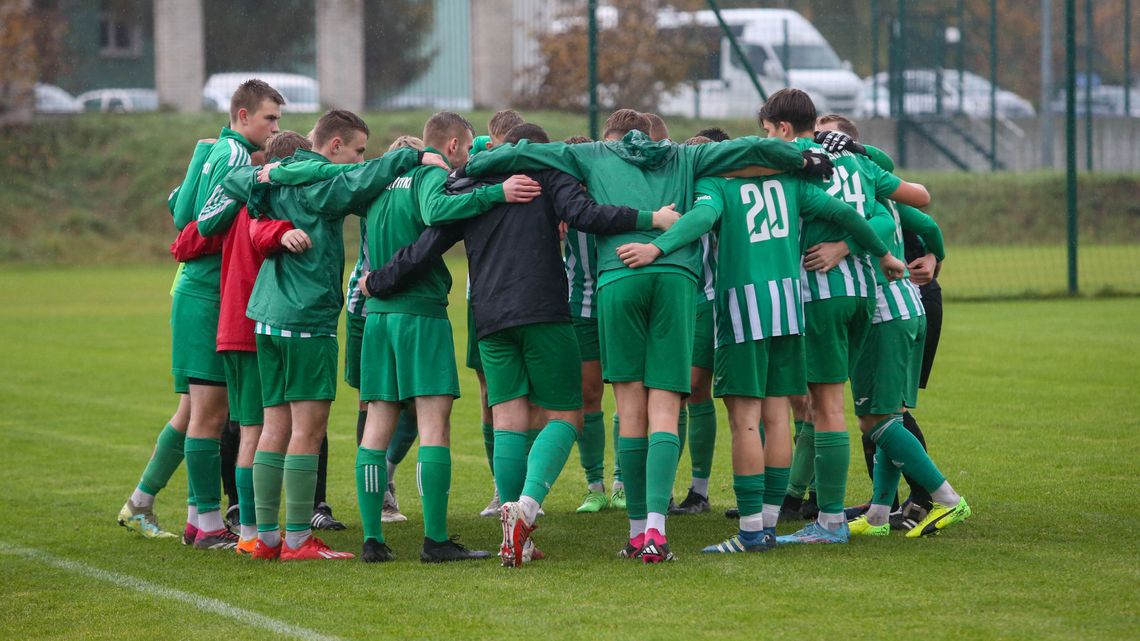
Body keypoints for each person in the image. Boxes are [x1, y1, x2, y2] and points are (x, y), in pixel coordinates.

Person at [462, 108, 834, 562]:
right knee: (664, 409)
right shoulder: (685, 156)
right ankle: (656, 532)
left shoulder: (592, 155)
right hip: (676, 280)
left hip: (618, 276)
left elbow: (522, 153)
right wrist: (802, 157)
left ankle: (634, 531)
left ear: (612, 137)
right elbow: (750, 148)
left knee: (630, 410)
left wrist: (476, 163)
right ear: (656, 135)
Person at [367, 122, 680, 565]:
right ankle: (527, 508)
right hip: (543, 311)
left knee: (508, 418)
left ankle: (516, 537)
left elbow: (427, 244)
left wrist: (378, 279)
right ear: (540, 148)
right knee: (568, 415)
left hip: (489, 317)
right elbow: (589, 215)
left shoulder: (470, 181)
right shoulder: (547, 173)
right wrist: (651, 219)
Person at [615, 141, 903, 553]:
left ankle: (751, 532)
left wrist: (655, 247)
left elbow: (701, 218)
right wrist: (885, 254)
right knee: (778, 417)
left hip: (742, 311)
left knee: (746, 421)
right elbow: (846, 215)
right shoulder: (790, 184)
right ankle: (769, 524)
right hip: (789, 309)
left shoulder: (716, 184)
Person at [280, 111, 539, 562]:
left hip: (377, 318)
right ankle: (435, 540)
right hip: (419, 314)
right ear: (452, 146)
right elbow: (438, 211)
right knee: (434, 426)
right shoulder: (424, 176)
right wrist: (498, 191)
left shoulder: (378, 181)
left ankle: (372, 540)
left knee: (376, 428)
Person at [222, 110, 435, 561]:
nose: (359, 158)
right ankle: (298, 540)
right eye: (356, 149)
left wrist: (274, 169)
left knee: (273, 425)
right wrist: (415, 157)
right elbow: (363, 180)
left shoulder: (277, 177)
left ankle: (264, 537)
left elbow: (234, 182)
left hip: (264, 315)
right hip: (305, 318)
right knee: (308, 430)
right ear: (334, 145)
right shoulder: (325, 182)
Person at [747, 89, 930, 546]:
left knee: (826, 410)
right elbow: (901, 206)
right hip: (863, 296)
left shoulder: (790, 164)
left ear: (784, 129)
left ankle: (830, 520)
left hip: (819, 294)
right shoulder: (855, 162)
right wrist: (880, 253)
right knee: (861, 411)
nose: (767, 139)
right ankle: (869, 508)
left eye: (768, 131)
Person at [172, 130, 314, 554]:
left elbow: (186, 238)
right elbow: (263, 235)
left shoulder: (235, 204)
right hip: (254, 327)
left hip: (226, 327)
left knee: (220, 422)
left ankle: (206, 521)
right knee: (253, 429)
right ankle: (250, 532)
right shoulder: (263, 207)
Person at [161, 80, 284, 550]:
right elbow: (201, 221)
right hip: (209, 292)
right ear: (242, 115)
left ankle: (199, 517)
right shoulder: (235, 158)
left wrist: (197, 157)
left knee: (203, 411)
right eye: (269, 118)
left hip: (201, 290)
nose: (275, 128)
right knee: (210, 413)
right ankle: (209, 523)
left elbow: (178, 207)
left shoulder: (218, 150)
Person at [117, 137, 219, 541]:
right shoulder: (226, 169)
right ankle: (178, 512)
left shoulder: (216, 169)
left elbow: (176, 199)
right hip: (197, 297)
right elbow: (181, 207)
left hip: (192, 294)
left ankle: (168, 508)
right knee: (202, 412)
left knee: (196, 411)